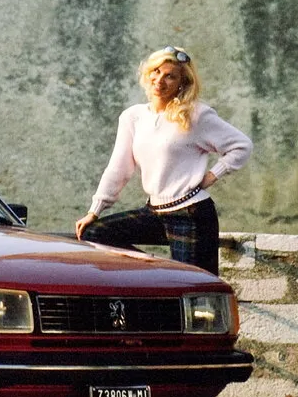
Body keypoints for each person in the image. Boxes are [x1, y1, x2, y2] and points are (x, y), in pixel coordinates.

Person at [75, 46, 252, 275]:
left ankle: (166, 275)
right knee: (95, 233)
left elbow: (242, 145)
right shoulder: (133, 117)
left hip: (191, 214)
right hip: (154, 212)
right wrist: (95, 210)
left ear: (182, 83)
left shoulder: (196, 115)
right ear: (147, 74)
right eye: (156, 71)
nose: (160, 80)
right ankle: (158, 271)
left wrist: (212, 175)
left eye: (170, 76)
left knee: (191, 285)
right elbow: (118, 169)